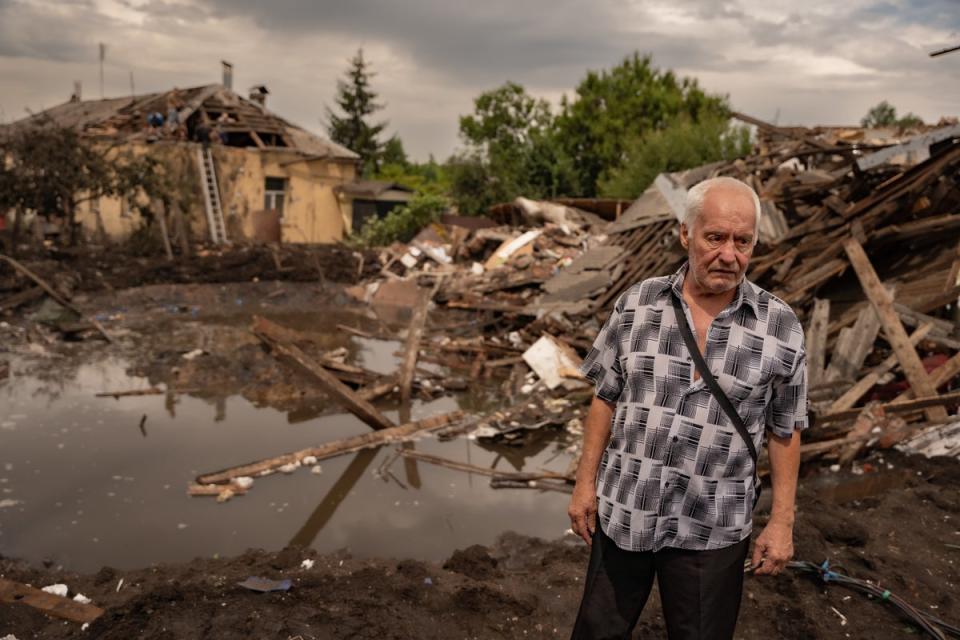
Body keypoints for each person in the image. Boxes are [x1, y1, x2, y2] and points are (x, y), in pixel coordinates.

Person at [568, 177, 807, 640]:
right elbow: (605, 396)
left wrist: (781, 522)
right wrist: (583, 485)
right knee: (597, 631)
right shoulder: (638, 305)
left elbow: (786, 428)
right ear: (686, 233)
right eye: (715, 237)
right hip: (626, 511)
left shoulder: (779, 325)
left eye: (743, 241)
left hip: (713, 525)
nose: (728, 254)